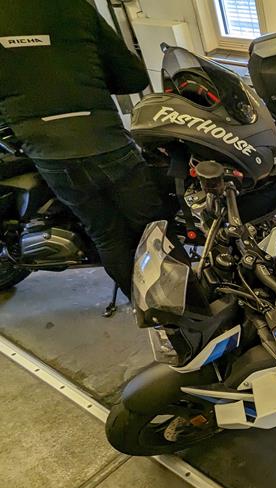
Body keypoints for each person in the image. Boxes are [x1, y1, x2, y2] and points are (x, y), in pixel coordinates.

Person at [0, 0, 165, 299]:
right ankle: (182, 307)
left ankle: (148, 309)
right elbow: (132, 76)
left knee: (107, 234)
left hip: (49, 153)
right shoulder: (75, 8)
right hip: (104, 140)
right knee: (153, 229)